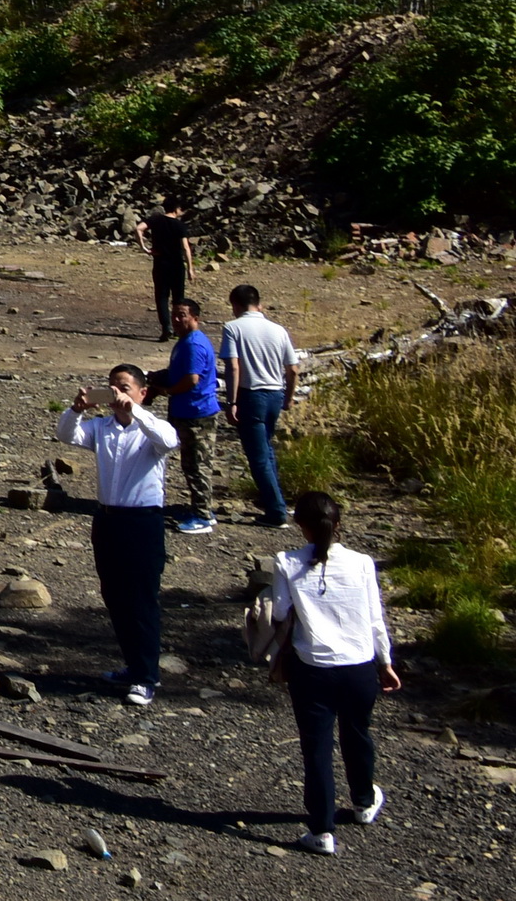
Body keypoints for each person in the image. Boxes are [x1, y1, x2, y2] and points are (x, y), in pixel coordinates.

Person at [268, 491, 399, 855]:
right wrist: (385, 663)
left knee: (317, 748)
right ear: (338, 525)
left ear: (300, 526)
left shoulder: (286, 562)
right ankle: (362, 801)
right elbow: (375, 618)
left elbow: (279, 613)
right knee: (358, 735)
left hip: (313, 671)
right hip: (359, 668)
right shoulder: (361, 563)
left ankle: (321, 830)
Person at [56, 362, 179, 705]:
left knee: (141, 599)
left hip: (143, 522)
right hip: (108, 520)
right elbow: (67, 435)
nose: (117, 394)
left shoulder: (151, 429)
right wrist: (76, 409)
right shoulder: (102, 427)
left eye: (124, 387)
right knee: (115, 596)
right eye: (112, 387)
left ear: (142, 392)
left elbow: (170, 441)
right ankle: (133, 664)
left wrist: (136, 413)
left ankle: (146, 676)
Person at [221, 284, 301, 527]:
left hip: (250, 393)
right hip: (275, 393)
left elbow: (234, 366)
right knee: (266, 449)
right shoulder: (278, 330)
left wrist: (231, 401)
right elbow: (294, 369)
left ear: (235, 305)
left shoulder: (233, 328)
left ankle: (277, 511)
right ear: (259, 303)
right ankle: (275, 501)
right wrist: (288, 397)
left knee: (257, 456)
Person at [143, 297, 223, 535]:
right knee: (192, 465)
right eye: (175, 315)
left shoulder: (194, 345)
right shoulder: (184, 342)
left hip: (197, 414)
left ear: (195, 318)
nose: (177, 320)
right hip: (186, 411)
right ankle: (203, 508)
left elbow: (191, 379)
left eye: (182, 315)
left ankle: (202, 516)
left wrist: (167, 391)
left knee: (197, 465)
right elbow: (178, 372)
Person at [142, 195, 194, 340]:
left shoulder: (156, 220)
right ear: (177, 209)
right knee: (178, 298)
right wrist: (190, 267)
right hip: (177, 265)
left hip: (160, 263)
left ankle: (166, 327)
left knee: (162, 297)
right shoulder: (179, 225)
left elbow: (138, 229)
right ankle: (179, 328)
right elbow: (185, 247)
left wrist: (145, 248)